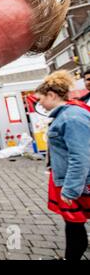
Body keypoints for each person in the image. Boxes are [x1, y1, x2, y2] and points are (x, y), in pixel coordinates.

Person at [35, 71, 90, 260]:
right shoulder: (69, 114)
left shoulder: (71, 117)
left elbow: (81, 156)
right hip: (70, 179)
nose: (39, 103)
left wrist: (71, 189)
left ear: (51, 95)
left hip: (76, 182)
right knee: (73, 224)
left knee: (75, 224)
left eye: (40, 99)